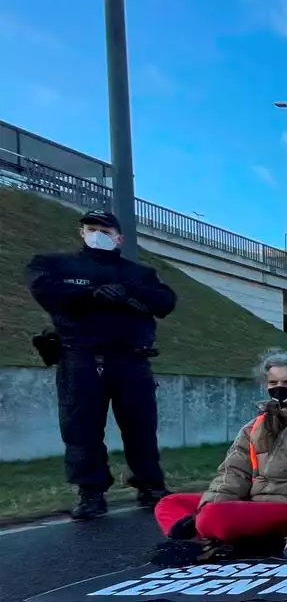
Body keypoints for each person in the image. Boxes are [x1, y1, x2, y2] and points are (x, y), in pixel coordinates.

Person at [25, 208, 178, 520]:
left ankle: (150, 485)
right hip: (79, 357)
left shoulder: (139, 273)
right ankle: (91, 493)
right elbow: (46, 291)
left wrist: (128, 292)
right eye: (91, 228)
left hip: (130, 358)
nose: (97, 234)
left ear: (118, 238)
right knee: (81, 430)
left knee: (141, 427)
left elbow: (165, 301)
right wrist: (92, 294)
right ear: (81, 232)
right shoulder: (54, 264)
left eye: (105, 230)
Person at [152, 351, 287, 560]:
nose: (280, 388)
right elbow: (232, 474)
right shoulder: (254, 427)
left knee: (213, 517)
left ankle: (204, 540)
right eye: (273, 383)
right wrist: (211, 506)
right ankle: (208, 540)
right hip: (253, 502)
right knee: (170, 503)